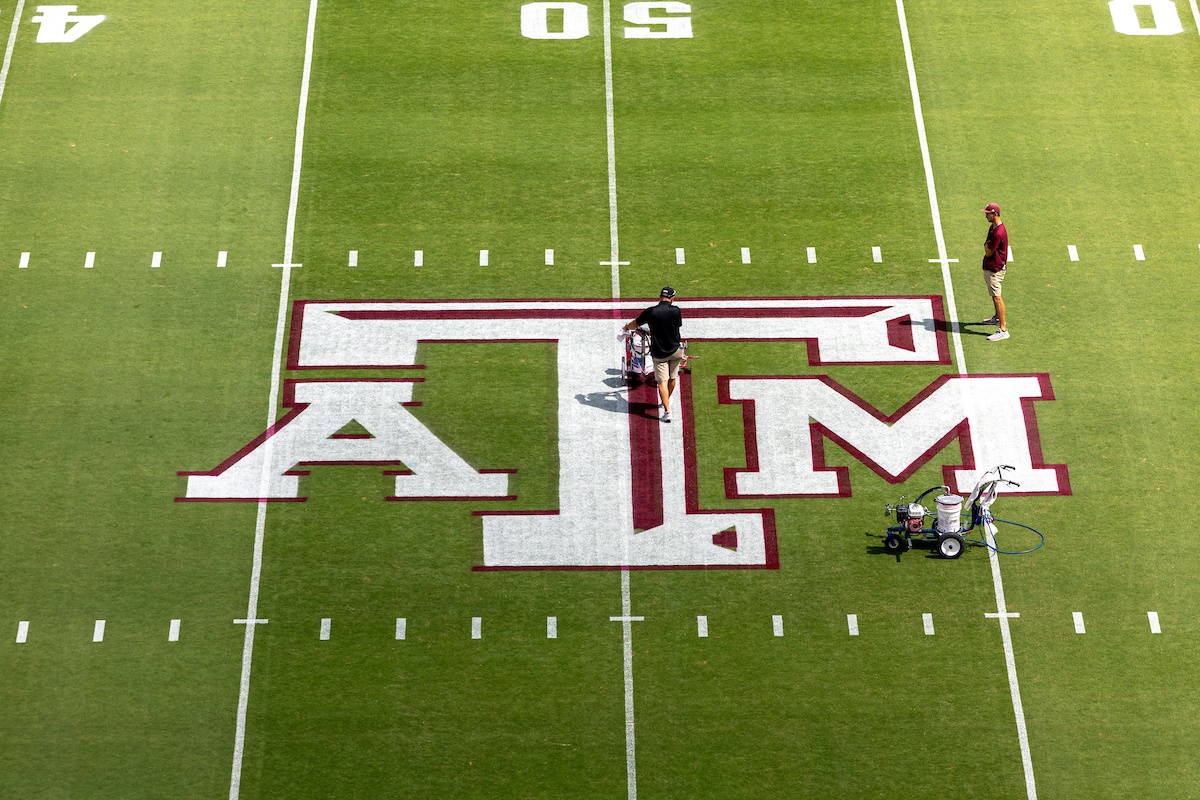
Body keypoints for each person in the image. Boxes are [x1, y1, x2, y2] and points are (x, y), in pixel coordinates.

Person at [623, 287, 683, 422]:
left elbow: (635, 323)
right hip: (675, 350)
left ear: (659, 296)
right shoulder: (676, 310)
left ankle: (668, 412)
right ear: (673, 298)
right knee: (673, 377)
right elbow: (677, 325)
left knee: (662, 381)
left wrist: (626, 327)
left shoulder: (651, 312)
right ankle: (667, 399)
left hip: (659, 352)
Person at [980, 202, 1010, 341]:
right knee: (994, 295)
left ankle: (1003, 329)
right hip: (991, 266)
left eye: (988, 213)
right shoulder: (993, 227)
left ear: (995, 214)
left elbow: (988, 251)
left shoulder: (998, 232)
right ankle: (997, 317)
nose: (986, 215)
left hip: (995, 268)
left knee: (997, 297)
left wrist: (986, 247)